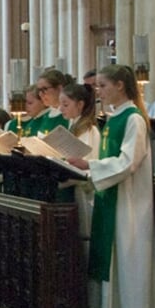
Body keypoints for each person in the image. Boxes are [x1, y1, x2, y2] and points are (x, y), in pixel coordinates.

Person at [66, 64, 155, 308]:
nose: (98, 91)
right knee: (113, 261)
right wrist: (91, 167)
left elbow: (128, 162)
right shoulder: (113, 117)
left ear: (120, 85)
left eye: (103, 86)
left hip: (130, 203)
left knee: (128, 261)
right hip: (112, 196)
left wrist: (89, 165)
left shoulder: (133, 119)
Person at [59, 83, 100, 234]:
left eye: (65, 104)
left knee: (84, 231)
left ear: (80, 104)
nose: (60, 109)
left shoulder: (89, 130)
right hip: (72, 186)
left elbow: (87, 162)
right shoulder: (73, 126)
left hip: (84, 191)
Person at [35, 68, 73, 134]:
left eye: (44, 89)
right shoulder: (45, 116)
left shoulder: (71, 115)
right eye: (39, 90)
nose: (41, 94)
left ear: (60, 88)